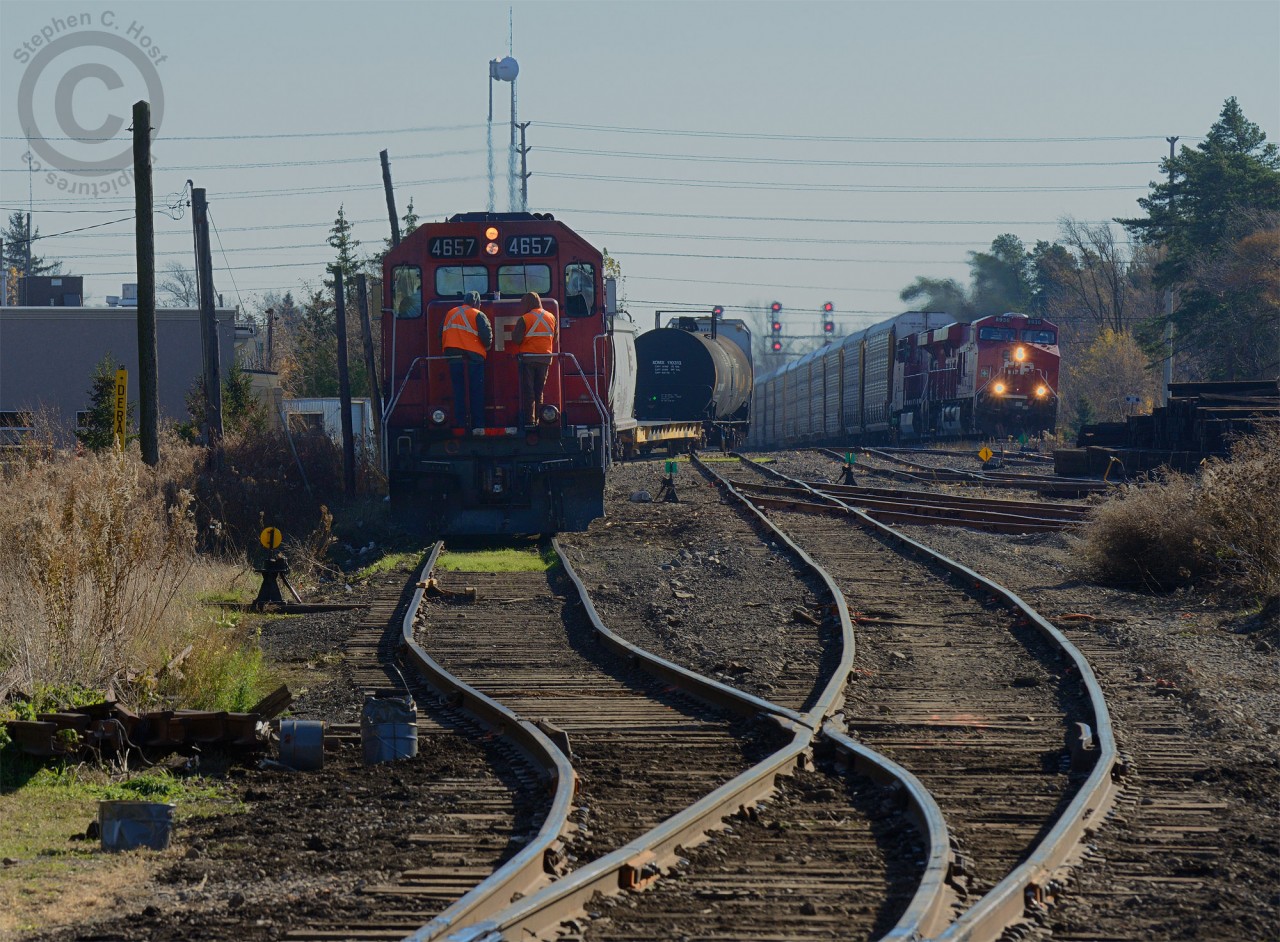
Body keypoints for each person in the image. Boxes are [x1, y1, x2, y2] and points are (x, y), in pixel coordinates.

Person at [441, 291, 492, 430]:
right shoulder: (477, 314)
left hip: (453, 359)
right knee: (476, 392)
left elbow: (441, 332)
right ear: (476, 303)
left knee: (459, 392)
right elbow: (486, 337)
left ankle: (461, 423)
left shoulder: (450, 313)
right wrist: (485, 347)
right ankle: (478, 424)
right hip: (473, 358)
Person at [513, 291, 557, 427]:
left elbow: (516, 339)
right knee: (539, 390)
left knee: (529, 390)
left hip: (528, 358)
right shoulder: (551, 317)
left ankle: (530, 420)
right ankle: (540, 418)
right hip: (545, 358)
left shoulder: (525, 318)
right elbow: (554, 338)